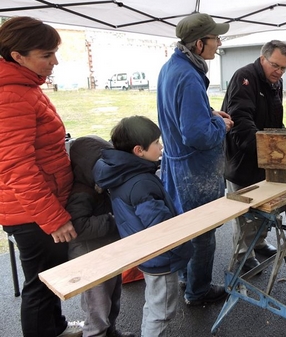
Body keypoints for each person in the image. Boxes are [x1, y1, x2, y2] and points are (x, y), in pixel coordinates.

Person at [0, 17, 83, 337]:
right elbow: (15, 168)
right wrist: (54, 219)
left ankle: (55, 328)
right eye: (46, 55)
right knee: (40, 282)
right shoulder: (12, 96)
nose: (55, 62)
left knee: (49, 277)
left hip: (38, 205)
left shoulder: (23, 86)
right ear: (17, 56)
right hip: (33, 212)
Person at [157, 13, 233, 306]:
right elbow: (197, 136)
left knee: (185, 228)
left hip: (178, 166)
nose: (219, 44)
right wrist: (220, 125)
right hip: (194, 170)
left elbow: (182, 114)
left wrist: (209, 112)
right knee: (202, 235)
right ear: (200, 43)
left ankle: (186, 278)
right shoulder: (189, 76)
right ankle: (197, 291)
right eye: (215, 38)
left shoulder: (172, 67)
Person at [93, 116, 193, 337]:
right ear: (139, 150)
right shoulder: (140, 183)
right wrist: (184, 240)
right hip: (161, 258)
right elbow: (161, 228)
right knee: (162, 312)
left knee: (154, 303)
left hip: (146, 254)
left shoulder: (121, 172)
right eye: (156, 143)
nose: (161, 147)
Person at [221, 40, 286, 272]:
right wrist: (269, 149)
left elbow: (274, 120)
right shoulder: (244, 77)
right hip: (243, 158)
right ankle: (243, 255)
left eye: (283, 68)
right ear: (262, 58)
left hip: (265, 156)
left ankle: (260, 242)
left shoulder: (276, 83)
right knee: (245, 212)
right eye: (275, 65)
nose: (279, 71)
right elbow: (241, 121)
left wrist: (285, 141)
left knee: (266, 206)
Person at [66, 136, 134, 337]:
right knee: (97, 306)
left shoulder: (101, 186)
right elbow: (79, 225)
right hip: (90, 260)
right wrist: (113, 219)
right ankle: (95, 334)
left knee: (113, 297)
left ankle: (110, 331)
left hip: (107, 252)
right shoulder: (81, 192)